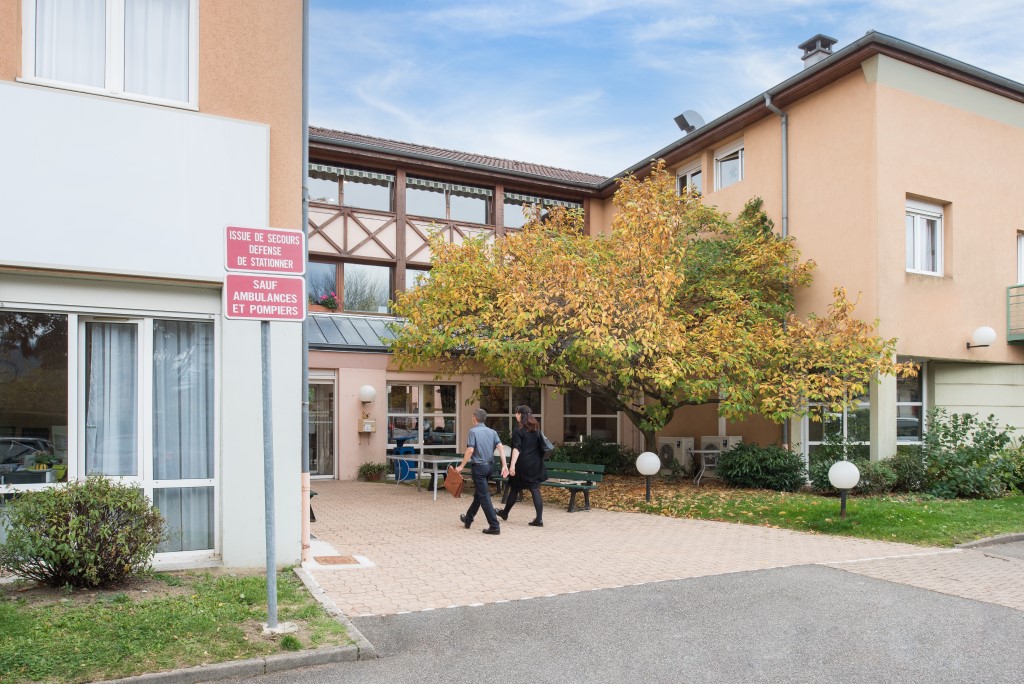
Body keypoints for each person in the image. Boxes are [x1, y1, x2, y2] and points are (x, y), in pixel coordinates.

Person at [455, 408, 508, 535]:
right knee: (479, 495)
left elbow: (470, 450)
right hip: (490, 467)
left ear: (474, 417)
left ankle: (494, 526)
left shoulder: (473, 431)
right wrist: (504, 465)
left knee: (484, 497)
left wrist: (462, 466)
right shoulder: (492, 432)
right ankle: (468, 519)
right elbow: (501, 448)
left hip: (479, 468)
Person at [497, 405, 546, 527]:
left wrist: (512, 465)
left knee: (514, 488)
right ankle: (539, 519)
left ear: (520, 414)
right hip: (535, 464)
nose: (515, 416)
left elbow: (516, 449)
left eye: (516, 413)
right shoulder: (536, 429)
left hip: (522, 464)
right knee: (535, 489)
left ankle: (505, 513)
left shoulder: (518, 431)